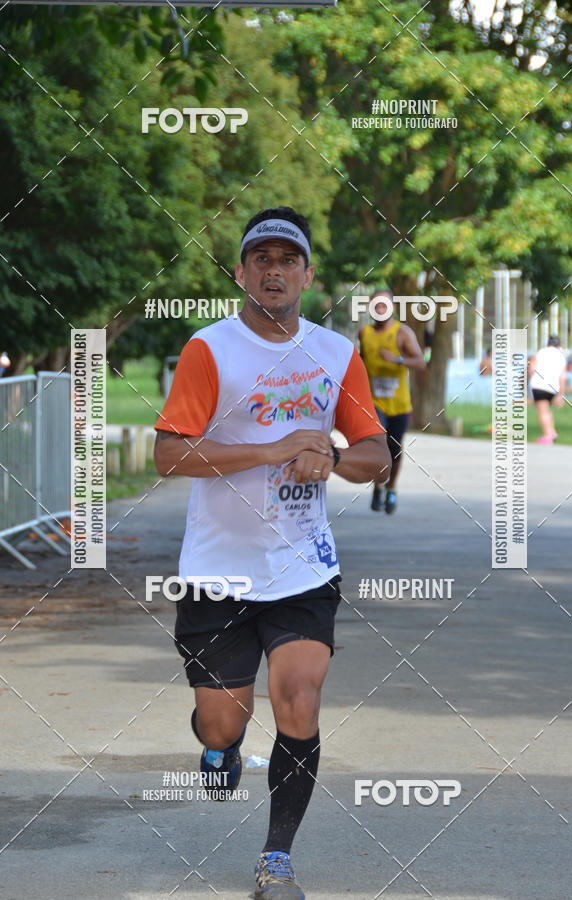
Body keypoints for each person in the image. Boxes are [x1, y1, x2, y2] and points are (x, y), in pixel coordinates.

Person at [154, 206, 390, 900]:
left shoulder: (335, 353)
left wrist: (336, 459)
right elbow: (169, 453)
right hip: (218, 569)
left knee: (300, 698)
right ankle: (219, 744)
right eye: (262, 259)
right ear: (241, 273)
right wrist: (274, 449)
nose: (275, 270)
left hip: (302, 566)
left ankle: (276, 859)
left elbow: (375, 451)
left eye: (288, 260)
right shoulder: (211, 349)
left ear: (308, 275)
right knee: (224, 718)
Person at [358, 289, 425, 514]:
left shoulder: (402, 333)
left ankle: (392, 487)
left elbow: (420, 362)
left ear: (393, 308)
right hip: (374, 401)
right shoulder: (364, 333)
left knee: (394, 448)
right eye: (375, 305)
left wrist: (397, 359)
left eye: (384, 305)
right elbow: (360, 362)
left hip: (399, 404)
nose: (379, 309)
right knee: (377, 444)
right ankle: (378, 485)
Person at [529, 335, 567, 444]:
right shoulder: (561, 356)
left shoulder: (540, 352)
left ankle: (547, 435)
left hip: (539, 385)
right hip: (553, 387)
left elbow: (532, 369)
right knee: (547, 410)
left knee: (542, 412)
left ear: (548, 343)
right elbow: (562, 377)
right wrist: (561, 394)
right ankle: (551, 431)